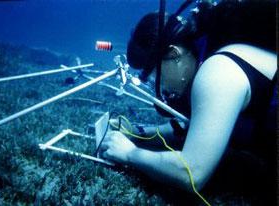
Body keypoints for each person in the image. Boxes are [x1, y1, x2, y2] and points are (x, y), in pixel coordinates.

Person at [99, 0, 276, 203]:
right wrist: (139, 133)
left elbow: (192, 171)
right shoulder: (212, 59)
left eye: (154, 76)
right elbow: (196, 127)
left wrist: (130, 153)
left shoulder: (217, 70)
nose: (161, 87)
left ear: (173, 54)